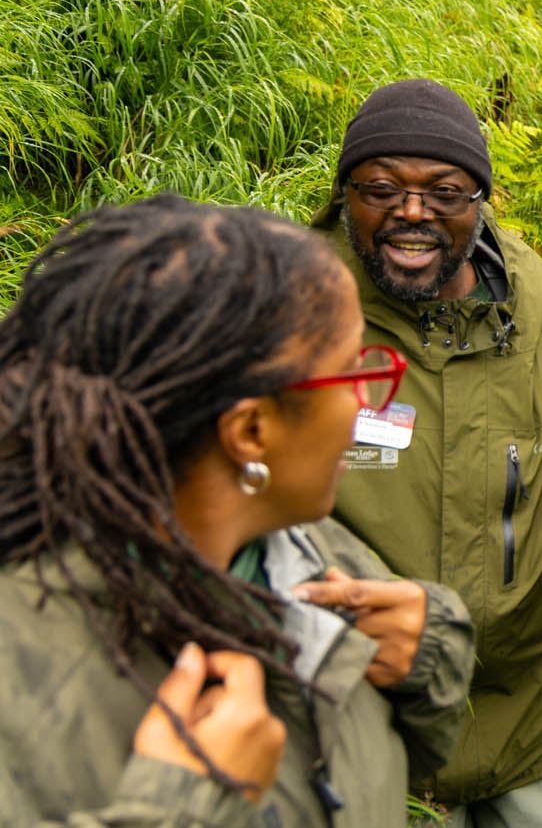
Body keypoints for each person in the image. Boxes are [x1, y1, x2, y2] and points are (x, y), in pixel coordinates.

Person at [0, 194, 475, 828]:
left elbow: (389, 766)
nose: (368, 408)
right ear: (250, 431)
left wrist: (430, 653)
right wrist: (181, 812)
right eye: (349, 373)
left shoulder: (308, 549)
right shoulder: (22, 686)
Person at [310, 78, 542, 828]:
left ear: (481, 199)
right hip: (361, 723)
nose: (411, 212)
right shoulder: (288, 315)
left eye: (444, 191)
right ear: (345, 194)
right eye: (381, 187)